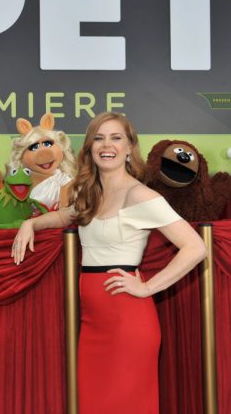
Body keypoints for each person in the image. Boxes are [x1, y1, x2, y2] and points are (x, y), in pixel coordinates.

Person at [11, 112, 206, 414]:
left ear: (130, 147)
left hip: (127, 323)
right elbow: (68, 215)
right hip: (94, 325)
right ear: (89, 148)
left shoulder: (140, 195)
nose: (107, 145)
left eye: (116, 137)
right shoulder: (92, 191)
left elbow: (195, 248)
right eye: (99, 138)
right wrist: (31, 225)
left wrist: (147, 288)